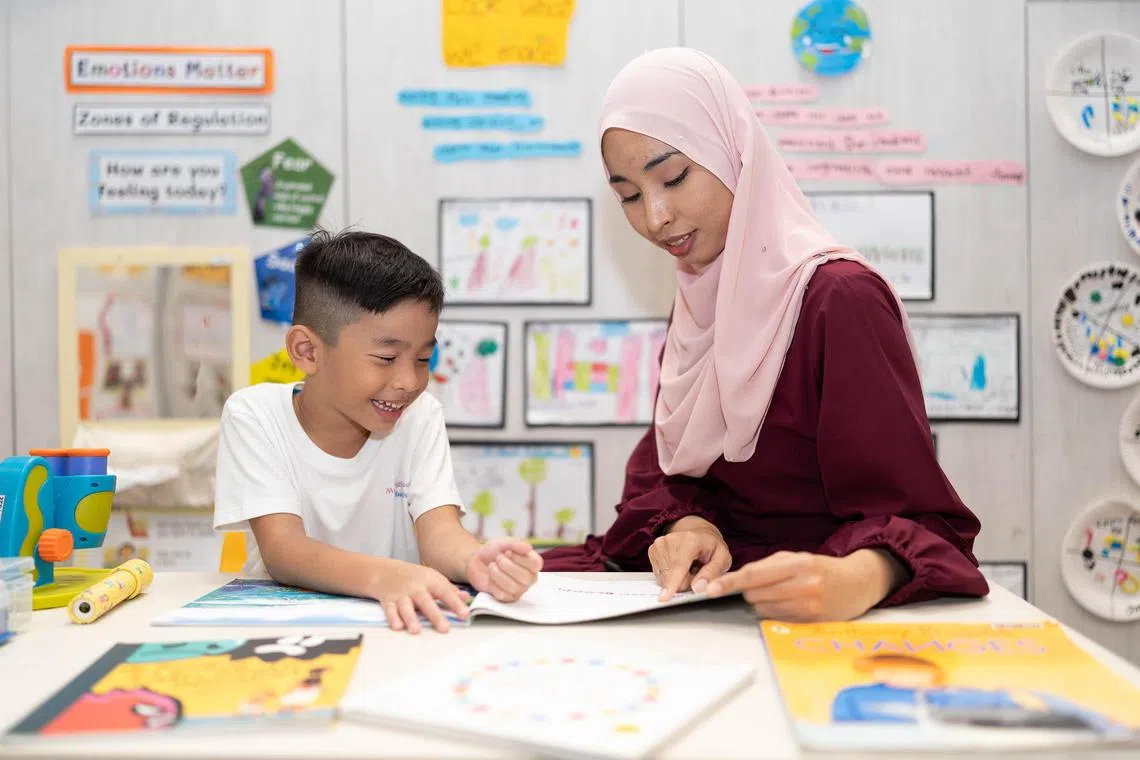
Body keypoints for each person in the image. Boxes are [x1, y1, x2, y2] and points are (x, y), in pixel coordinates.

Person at [541, 48, 989, 621]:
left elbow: (923, 519)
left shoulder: (838, 299)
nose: (654, 218)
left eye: (673, 177)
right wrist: (689, 525)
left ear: (733, 154)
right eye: (628, 195)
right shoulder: (700, 303)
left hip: (810, 604)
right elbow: (664, 472)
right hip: (710, 605)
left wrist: (858, 575)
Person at [214, 229, 542, 634]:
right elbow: (284, 550)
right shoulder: (255, 414)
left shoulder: (420, 416)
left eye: (423, 358)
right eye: (386, 358)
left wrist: (474, 560)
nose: (408, 381)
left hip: (395, 631)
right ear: (307, 351)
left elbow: (439, 532)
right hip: (281, 630)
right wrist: (384, 577)